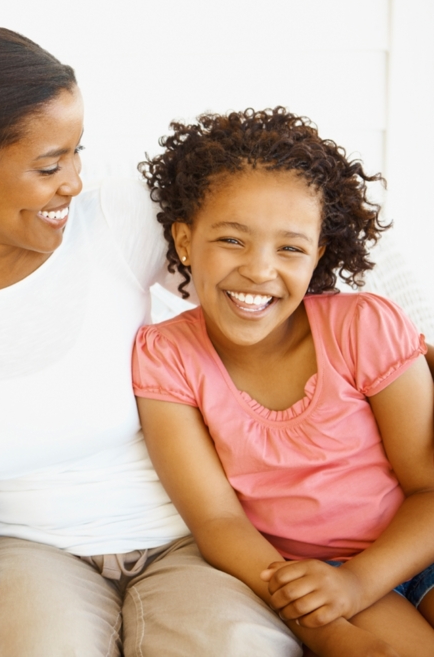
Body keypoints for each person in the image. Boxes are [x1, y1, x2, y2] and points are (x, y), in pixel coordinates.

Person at [0, 26, 301, 656]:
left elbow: (270, 283)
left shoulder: (120, 221)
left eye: (75, 153)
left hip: (192, 537)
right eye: (48, 165)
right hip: (31, 555)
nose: (74, 181)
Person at [133, 108, 434, 657]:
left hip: (414, 545)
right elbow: (217, 521)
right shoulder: (168, 357)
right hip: (316, 573)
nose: (260, 270)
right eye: (232, 240)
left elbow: (429, 487)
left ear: (318, 254)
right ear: (184, 240)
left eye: (290, 248)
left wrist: (360, 582)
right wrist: (322, 617)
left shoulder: (363, 326)